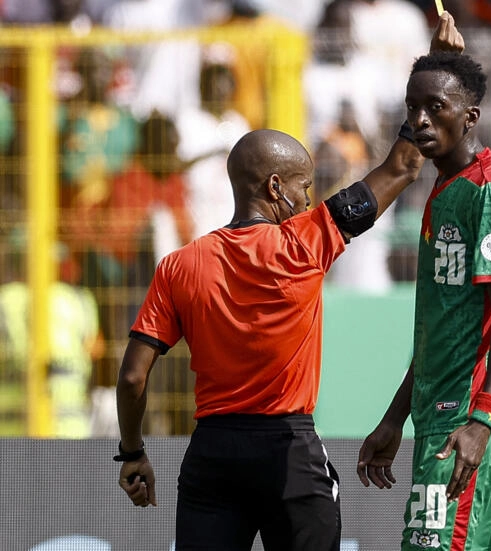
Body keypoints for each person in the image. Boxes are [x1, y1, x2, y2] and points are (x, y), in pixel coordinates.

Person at [113, 15, 464, 551]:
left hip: (211, 455)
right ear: (276, 187)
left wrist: (134, 451)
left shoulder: (178, 265)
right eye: (303, 187)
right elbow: (404, 164)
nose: (307, 198)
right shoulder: (307, 241)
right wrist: (439, 65)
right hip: (289, 452)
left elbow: (135, 376)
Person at [356, 47, 491, 550]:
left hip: (470, 416)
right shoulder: (446, 186)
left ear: (470, 116)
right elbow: (445, 326)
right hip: (439, 413)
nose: (419, 119)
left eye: (436, 107)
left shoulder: (489, 189)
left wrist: (483, 418)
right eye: (412, 107)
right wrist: (396, 417)